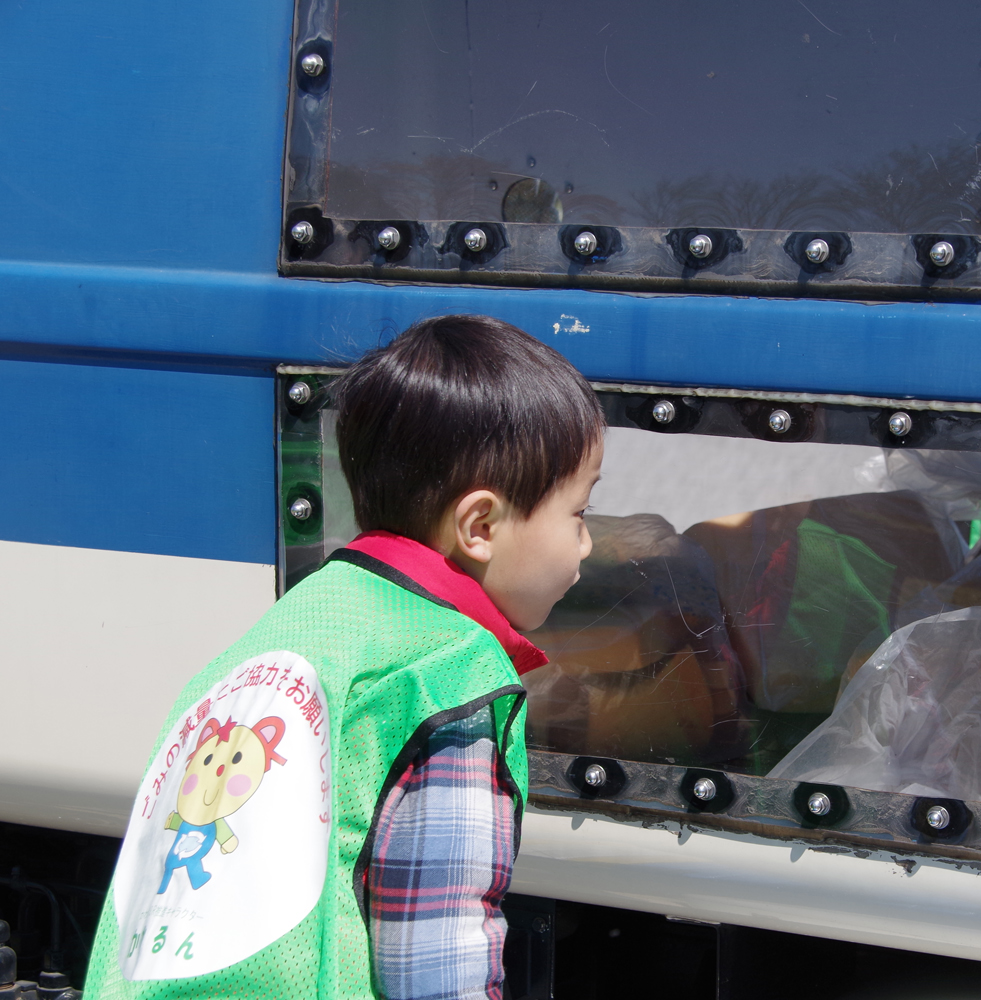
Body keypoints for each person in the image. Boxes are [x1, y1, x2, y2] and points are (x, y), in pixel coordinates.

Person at [84, 315, 605, 1000]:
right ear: (481, 527)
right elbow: (437, 957)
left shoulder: (290, 631)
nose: (588, 545)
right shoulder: (446, 676)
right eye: (578, 513)